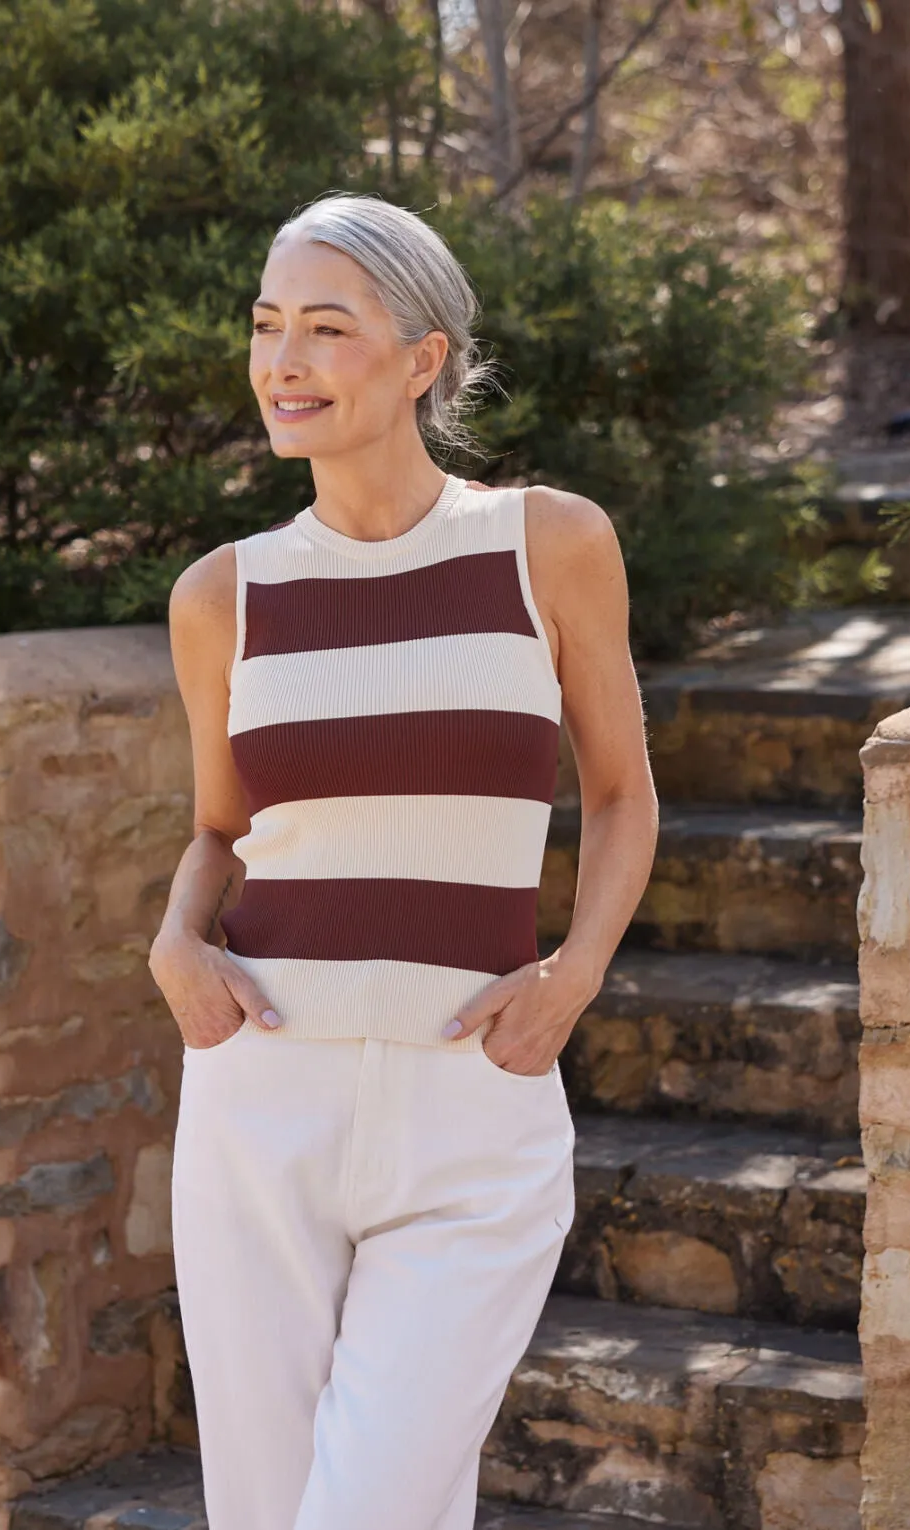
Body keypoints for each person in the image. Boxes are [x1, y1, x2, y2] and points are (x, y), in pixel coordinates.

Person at [148, 192, 660, 1530]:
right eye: (267, 328)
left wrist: (572, 975)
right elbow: (219, 825)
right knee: (262, 1510)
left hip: (470, 1096)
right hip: (261, 1092)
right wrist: (172, 937)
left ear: (423, 358)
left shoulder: (548, 545)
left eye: (327, 326)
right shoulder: (223, 595)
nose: (284, 361)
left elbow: (619, 795)